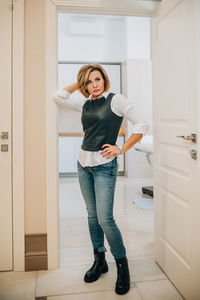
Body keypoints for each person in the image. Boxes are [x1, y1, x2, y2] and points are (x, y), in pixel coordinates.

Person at [54, 64, 149, 295]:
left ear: (104, 80)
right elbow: (59, 96)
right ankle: (100, 260)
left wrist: (121, 148)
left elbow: (142, 124)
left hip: (105, 166)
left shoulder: (116, 100)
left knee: (106, 219)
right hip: (83, 164)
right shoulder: (85, 102)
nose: (93, 85)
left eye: (97, 79)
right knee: (92, 215)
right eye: (89, 82)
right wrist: (80, 82)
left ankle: (122, 266)